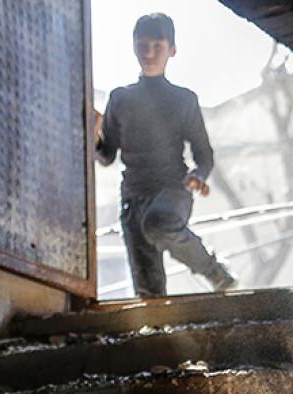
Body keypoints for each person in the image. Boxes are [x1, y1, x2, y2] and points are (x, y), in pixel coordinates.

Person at [95, 12, 236, 297]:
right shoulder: (119, 98)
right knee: (149, 293)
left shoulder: (183, 100)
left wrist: (198, 175)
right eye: (142, 44)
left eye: (157, 45)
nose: (149, 52)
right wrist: (92, 134)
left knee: (158, 223)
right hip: (132, 201)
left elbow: (204, 154)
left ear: (172, 49)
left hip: (173, 191)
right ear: (133, 46)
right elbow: (106, 156)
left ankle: (216, 273)